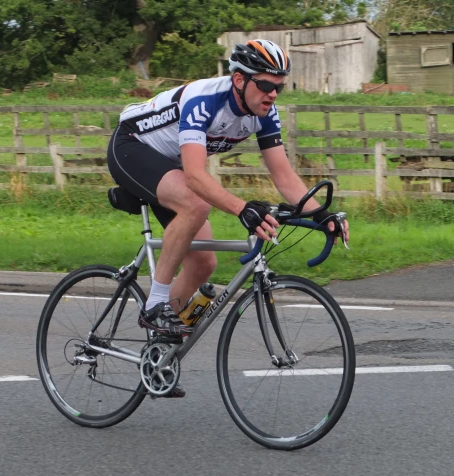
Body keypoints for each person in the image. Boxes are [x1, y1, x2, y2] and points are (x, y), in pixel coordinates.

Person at [107, 39, 350, 340]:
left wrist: (321, 215)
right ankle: (154, 305)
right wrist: (242, 208)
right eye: (264, 85)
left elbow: (284, 176)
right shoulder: (204, 100)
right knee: (195, 204)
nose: (272, 94)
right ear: (239, 79)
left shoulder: (264, 113)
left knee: (204, 262)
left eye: (279, 87)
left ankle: (158, 351)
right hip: (132, 146)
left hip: (171, 164)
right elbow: (195, 176)